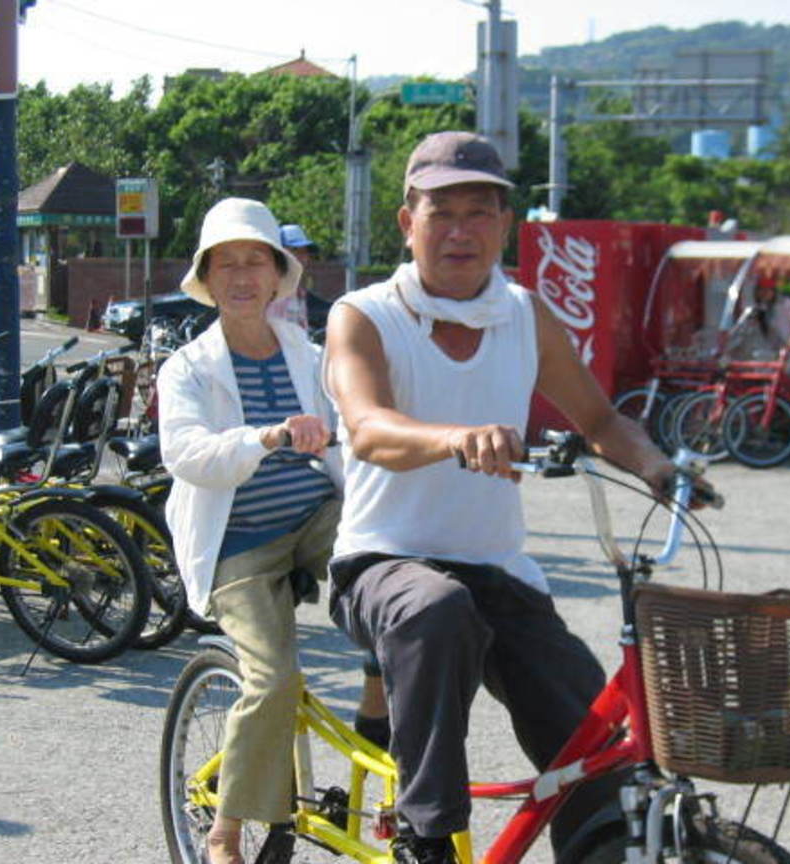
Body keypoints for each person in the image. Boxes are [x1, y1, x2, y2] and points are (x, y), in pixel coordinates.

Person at [324, 132, 704, 864]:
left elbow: (599, 421)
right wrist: (456, 437)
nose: (460, 230)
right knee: (436, 609)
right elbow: (367, 429)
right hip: (381, 563)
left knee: (589, 733)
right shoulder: (364, 314)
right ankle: (426, 834)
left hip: (496, 571)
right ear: (407, 223)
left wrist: (659, 466)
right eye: (441, 212)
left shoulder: (523, 315)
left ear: (505, 224)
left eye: (479, 212)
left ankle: (603, 847)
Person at [157, 198, 384, 864]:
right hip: (240, 544)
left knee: (404, 582)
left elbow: (356, 435)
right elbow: (187, 455)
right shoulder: (188, 368)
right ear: (207, 278)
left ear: (278, 275)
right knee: (274, 680)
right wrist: (268, 435)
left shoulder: (310, 357)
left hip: (316, 517)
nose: (242, 276)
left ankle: (381, 730)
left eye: (255, 261)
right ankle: (225, 831)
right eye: (225, 264)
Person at [266, 223, 316, 329]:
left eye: (305, 251)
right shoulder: (273, 291)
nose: (302, 256)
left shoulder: (299, 290)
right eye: (295, 250)